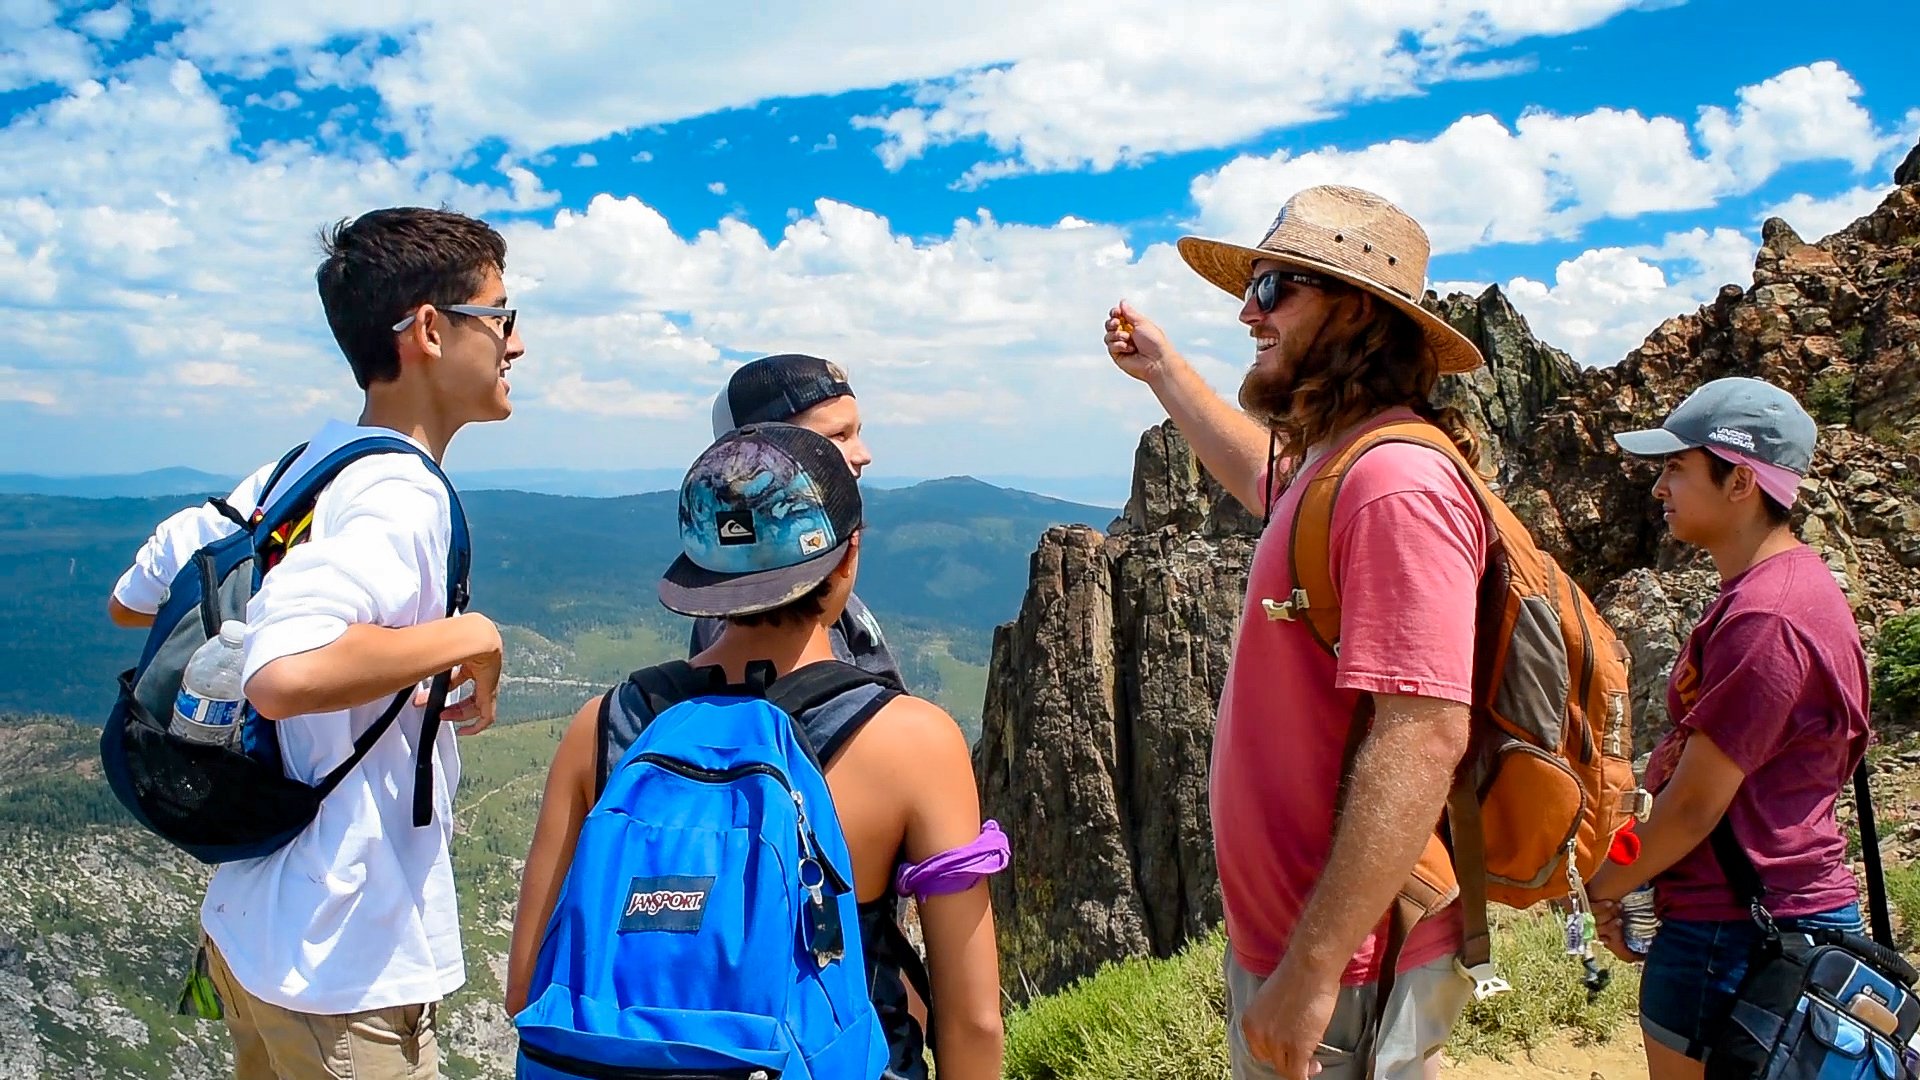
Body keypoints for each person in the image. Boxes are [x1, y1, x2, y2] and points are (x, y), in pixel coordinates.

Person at [108, 206, 523, 1078]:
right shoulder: (402, 496)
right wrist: (467, 634)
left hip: (253, 926)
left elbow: (135, 596)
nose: (516, 345)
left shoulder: (299, 468)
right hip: (343, 960)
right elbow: (284, 677)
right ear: (431, 332)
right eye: (502, 316)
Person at [1104, 185, 1491, 1080]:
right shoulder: (1341, 464)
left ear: (1356, 311)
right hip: (1309, 949)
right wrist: (1165, 372)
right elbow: (1266, 487)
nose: (1247, 310)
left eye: (1275, 286)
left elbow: (1424, 734)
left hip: (1344, 967)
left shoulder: (1396, 484)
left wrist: (1313, 973)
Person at [506, 422, 1005, 1080]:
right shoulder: (914, 741)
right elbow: (974, 1022)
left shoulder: (602, 728)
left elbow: (527, 994)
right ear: (848, 558)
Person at [1588, 377, 1869, 1080]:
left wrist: (1603, 886)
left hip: (1737, 940)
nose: (1660, 488)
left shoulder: (1767, 616)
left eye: (1677, 468)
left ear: (1740, 479)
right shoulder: (1790, 590)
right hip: (1768, 921)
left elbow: (1692, 808)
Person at [689, 352, 903, 686]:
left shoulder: (789, 587)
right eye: (839, 436)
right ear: (764, 454)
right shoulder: (771, 614)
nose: (864, 454)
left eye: (857, 432)